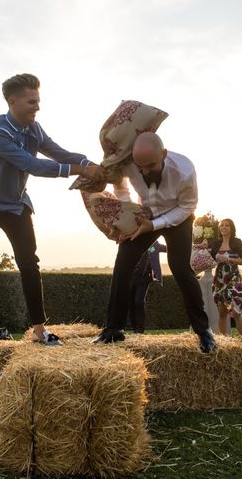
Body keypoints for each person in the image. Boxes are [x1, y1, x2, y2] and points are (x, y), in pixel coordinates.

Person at [0, 73, 103, 347]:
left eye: (38, 101)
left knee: (29, 265)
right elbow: (33, 165)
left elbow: (58, 153)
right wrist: (80, 170)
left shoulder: (35, 129)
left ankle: (39, 330)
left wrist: (91, 163)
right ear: (12, 101)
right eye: (32, 102)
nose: (37, 107)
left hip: (17, 206)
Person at [93, 132, 217, 352]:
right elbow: (120, 185)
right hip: (145, 215)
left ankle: (203, 331)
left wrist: (156, 225)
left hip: (178, 216)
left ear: (164, 154)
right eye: (141, 168)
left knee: (180, 268)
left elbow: (187, 206)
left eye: (151, 166)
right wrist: (129, 211)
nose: (145, 172)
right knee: (123, 264)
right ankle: (114, 329)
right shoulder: (131, 163)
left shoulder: (184, 171)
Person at [209, 218, 242, 337]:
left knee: (235, 312)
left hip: (234, 278)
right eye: (222, 225)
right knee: (222, 312)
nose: (224, 227)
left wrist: (228, 259)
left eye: (227, 225)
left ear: (232, 229)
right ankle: (224, 342)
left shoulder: (237, 242)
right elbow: (210, 261)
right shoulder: (216, 244)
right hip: (219, 280)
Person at [127, 240, 166, 334]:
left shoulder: (155, 244)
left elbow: (169, 248)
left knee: (138, 302)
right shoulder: (133, 241)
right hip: (131, 277)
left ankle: (139, 329)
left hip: (145, 278)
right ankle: (134, 327)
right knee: (131, 302)